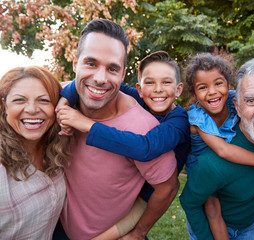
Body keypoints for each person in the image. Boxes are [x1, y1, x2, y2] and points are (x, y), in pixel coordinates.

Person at [55, 19, 179, 239]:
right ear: (75, 63)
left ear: (122, 75)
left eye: (112, 68)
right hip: (58, 228)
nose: (100, 78)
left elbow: (167, 188)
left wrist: (139, 232)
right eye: (91, 63)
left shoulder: (144, 128)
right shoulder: (57, 97)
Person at [180, 57, 254, 240]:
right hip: (201, 160)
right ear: (193, 92)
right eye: (203, 87)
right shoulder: (198, 116)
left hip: (246, 216)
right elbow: (223, 150)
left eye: (218, 83)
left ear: (228, 83)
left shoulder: (233, 98)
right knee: (212, 207)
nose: (212, 92)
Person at [0, 66, 72, 239]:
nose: (32, 109)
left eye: (44, 100)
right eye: (19, 100)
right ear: (4, 107)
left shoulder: (58, 150)